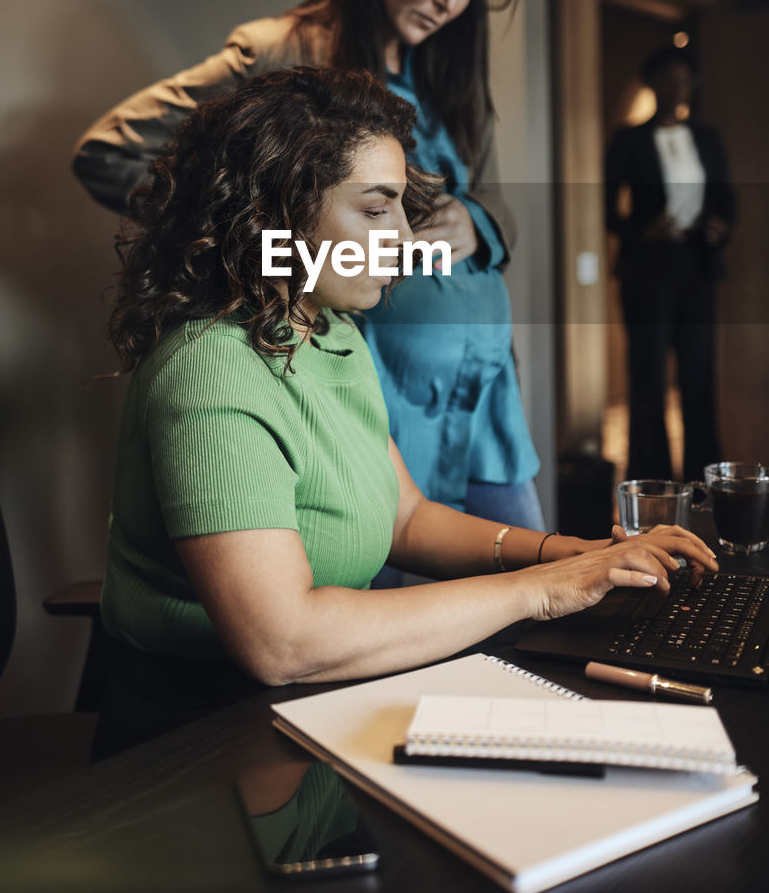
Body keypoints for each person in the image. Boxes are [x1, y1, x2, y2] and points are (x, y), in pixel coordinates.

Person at [93, 66, 717, 758]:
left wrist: (566, 554)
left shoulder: (329, 330)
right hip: (195, 738)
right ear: (278, 214)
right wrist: (537, 590)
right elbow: (283, 642)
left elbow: (405, 517)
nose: (402, 234)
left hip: (310, 702)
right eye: (374, 207)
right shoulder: (212, 370)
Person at [73, 0, 543, 532]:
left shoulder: (443, 68)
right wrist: (258, 240)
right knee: (410, 605)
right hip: (376, 386)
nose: (450, 3)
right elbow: (107, 154)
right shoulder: (280, 52)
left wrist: (479, 218)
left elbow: (488, 189)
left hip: (483, 389)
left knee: (528, 600)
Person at [605, 45, 736, 482]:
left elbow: (726, 199)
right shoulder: (629, 139)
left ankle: (704, 483)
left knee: (699, 377)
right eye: (668, 78)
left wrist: (720, 228)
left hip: (697, 269)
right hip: (647, 272)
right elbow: (609, 210)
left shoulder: (707, 137)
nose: (677, 87)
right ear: (654, 83)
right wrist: (644, 230)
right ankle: (653, 482)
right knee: (648, 380)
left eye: (684, 79)